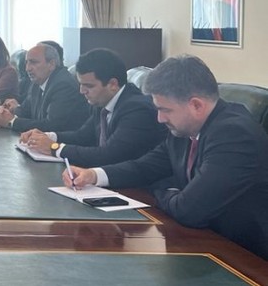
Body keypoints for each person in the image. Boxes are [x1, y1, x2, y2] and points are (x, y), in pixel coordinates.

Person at [64, 55, 268, 260]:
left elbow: (189, 211)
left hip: (246, 256)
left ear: (196, 105)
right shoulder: (186, 128)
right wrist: (94, 175)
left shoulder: (234, 135)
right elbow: (146, 167)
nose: (160, 119)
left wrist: (161, 192)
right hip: (204, 241)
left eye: (164, 110)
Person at [19, 48, 166, 166]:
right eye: (81, 84)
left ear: (113, 84)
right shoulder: (101, 101)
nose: (82, 91)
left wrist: (54, 147)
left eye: (88, 86)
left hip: (137, 187)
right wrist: (48, 136)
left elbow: (108, 155)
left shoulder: (137, 109)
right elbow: (83, 136)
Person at [0, 43, 88, 133]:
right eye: (27, 63)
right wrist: (5, 112)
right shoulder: (38, 81)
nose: (27, 68)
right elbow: (26, 111)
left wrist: (12, 122)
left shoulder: (63, 84)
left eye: (33, 62)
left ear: (51, 64)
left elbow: (51, 125)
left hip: (62, 142)